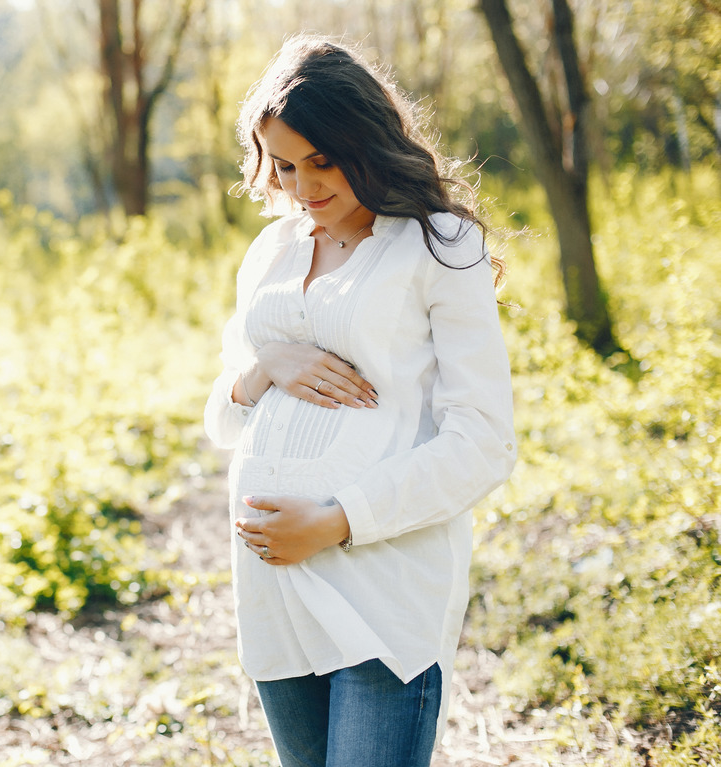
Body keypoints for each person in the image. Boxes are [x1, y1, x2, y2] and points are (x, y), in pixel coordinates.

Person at [203, 34, 517, 767]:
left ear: (364, 140)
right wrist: (265, 368)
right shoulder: (271, 254)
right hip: (275, 592)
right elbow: (221, 417)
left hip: (381, 588)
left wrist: (338, 520)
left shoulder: (438, 245)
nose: (304, 184)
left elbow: (485, 441)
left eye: (322, 159)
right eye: (284, 164)